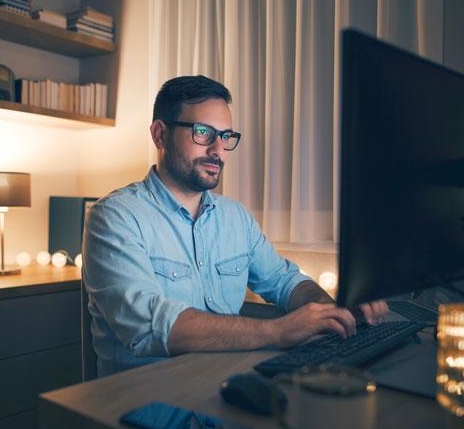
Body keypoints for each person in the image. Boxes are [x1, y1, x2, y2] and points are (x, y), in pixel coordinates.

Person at [82, 75, 388, 377]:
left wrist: (333, 310)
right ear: (160, 134)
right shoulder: (115, 217)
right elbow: (149, 325)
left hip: (222, 389)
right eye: (203, 133)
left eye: (226, 136)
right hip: (140, 402)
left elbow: (284, 281)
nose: (218, 150)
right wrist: (278, 331)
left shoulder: (235, 217)